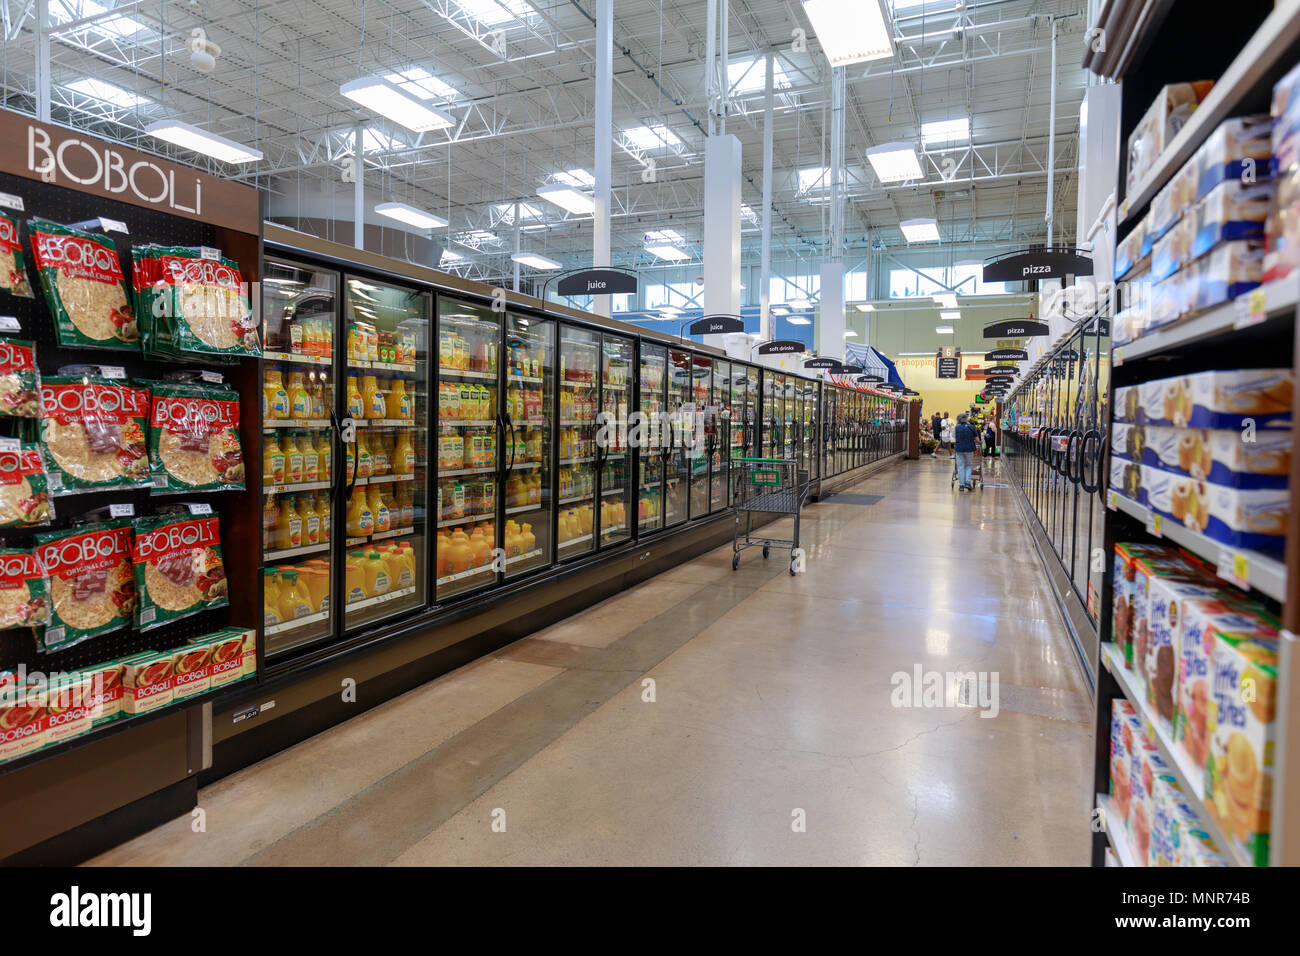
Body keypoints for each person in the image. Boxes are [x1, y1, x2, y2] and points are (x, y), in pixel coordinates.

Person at [954, 413, 979, 490]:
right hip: (969, 449)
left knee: (960, 466)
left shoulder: (956, 428)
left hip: (959, 449)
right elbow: (977, 440)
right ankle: (967, 483)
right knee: (968, 465)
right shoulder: (972, 427)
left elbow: (954, 438)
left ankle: (961, 485)